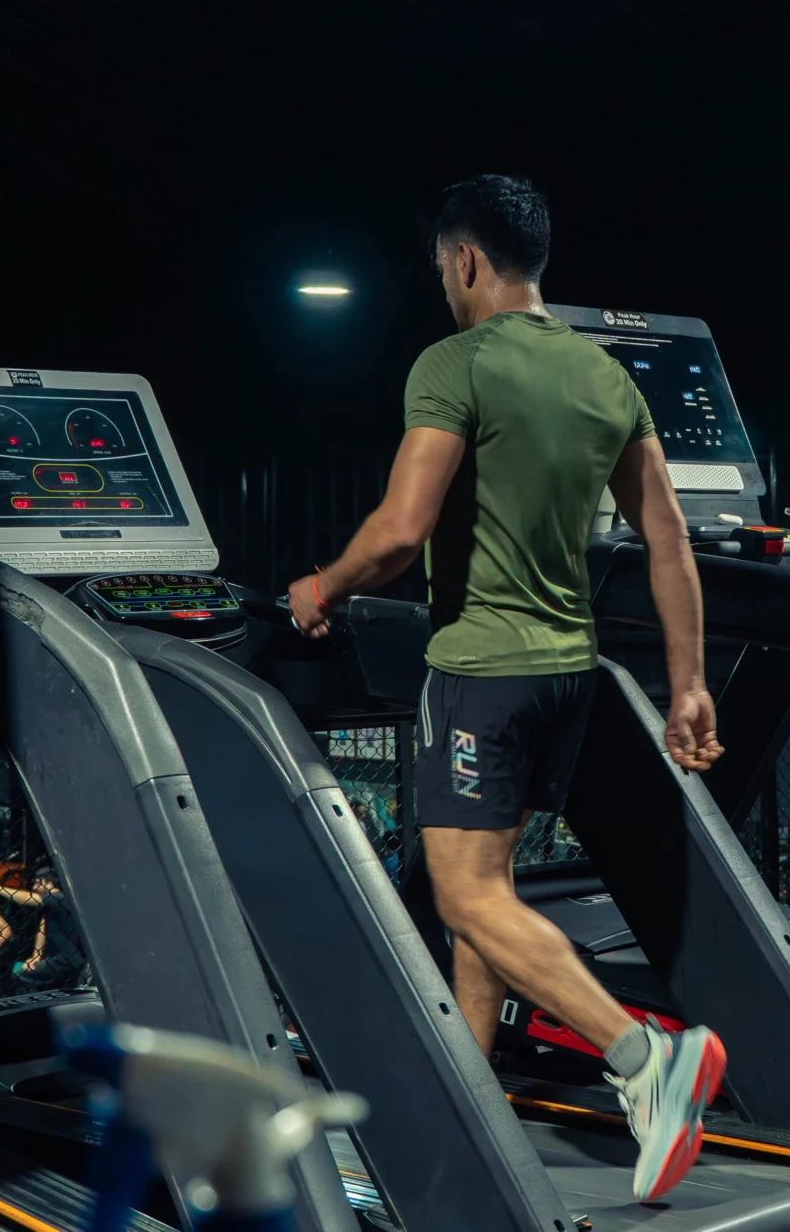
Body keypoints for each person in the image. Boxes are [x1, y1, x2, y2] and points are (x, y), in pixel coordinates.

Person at [286, 174, 726, 1203]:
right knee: (491, 887)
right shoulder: (604, 375)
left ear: (468, 260)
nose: (444, 282)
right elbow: (668, 540)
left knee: (463, 892)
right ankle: (470, 1088)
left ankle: (644, 1058)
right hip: (570, 675)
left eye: (444, 266)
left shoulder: (454, 362)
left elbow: (398, 533)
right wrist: (690, 682)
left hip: (481, 673)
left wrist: (322, 583)